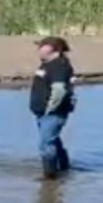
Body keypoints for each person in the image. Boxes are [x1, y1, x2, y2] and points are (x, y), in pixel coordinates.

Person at [31, 36, 75, 178]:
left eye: (43, 46)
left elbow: (59, 90)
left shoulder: (59, 65)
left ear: (55, 50)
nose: (39, 48)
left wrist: (50, 109)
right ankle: (64, 168)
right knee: (53, 140)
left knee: (45, 144)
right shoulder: (47, 63)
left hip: (52, 113)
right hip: (43, 112)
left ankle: (50, 178)